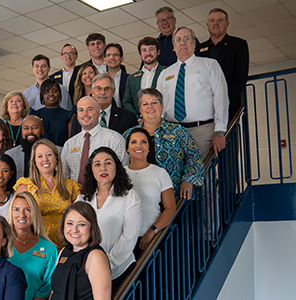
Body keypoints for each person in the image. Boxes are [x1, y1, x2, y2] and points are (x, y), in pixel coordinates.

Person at [156, 26, 229, 158]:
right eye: (178, 40)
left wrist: (219, 132)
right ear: (173, 46)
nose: (182, 42)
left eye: (186, 39)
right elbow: (159, 105)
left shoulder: (210, 65)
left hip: (202, 131)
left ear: (194, 44)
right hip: (174, 132)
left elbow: (221, 99)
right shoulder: (165, 73)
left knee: (202, 174)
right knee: (177, 175)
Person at [77, 147, 141, 295]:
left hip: (121, 270)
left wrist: (106, 264)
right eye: (97, 164)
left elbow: (129, 236)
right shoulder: (82, 199)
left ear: (117, 168)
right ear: (91, 170)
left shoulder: (129, 197)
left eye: (108, 163)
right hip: (87, 271)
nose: (103, 168)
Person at [122, 88, 204, 200]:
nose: (150, 106)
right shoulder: (129, 135)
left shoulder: (178, 131)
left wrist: (188, 180)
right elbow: (121, 163)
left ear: (162, 106)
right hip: (138, 197)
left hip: (174, 196)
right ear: (140, 110)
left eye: (154, 103)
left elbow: (194, 155)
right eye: (145, 104)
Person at [14, 139, 81, 249]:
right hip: (36, 246)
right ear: (34, 162)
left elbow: (78, 219)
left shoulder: (71, 187)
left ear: (57, 159)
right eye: (39, 156)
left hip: (67, 247)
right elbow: (17, 221)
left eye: (49, 155)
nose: (45, 159)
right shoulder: (25, 186)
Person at [124, 128, 176, 258]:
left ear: (149, 148)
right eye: (134, 142)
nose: (139, 145)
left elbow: (170, 209)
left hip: (154, 239)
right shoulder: (119, 174)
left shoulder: (160, 173)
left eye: (143, 142)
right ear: (127, 148)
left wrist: (151, 232)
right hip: (125, 240)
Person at [50, 201, 111, 300]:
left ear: (92, 229)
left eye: (81, 225)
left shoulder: (96, 256)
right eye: (70, 223)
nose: (74, 230)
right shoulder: (64, 251)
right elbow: (54, 291)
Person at [197, 7, 249, 121]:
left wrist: (223, 98)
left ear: (227, 23)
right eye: (212, 21)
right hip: (205, 106)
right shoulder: (199, 49)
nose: (215, 23)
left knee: (227, 137)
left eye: (220, 20)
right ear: (207, 24)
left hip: (229, 104)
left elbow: (241, 77)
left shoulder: (238, 44)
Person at [61, 96, 128, 185]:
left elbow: (121, 174)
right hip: (76, 197)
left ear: (99, 113)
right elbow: (65, 177)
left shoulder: (114, 139)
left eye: (90, 109)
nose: (85, 114)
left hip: (106, 196)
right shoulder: (69, 144)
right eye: (81, 110)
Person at [6, 192, 58, 300]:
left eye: (27, 209)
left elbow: (47, 287)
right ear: (10, 213)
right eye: (16, 209)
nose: (22, 215)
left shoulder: (49, 248)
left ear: (34, 213)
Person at [122, 37, 167, 118]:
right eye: (144, 50)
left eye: (151, 49)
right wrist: (138, 119)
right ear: (140, 54)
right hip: (140, 123)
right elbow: (127, 102)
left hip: (163, 120)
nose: (148, 53)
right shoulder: (132, 78)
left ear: (158, 52)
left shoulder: (167, 72)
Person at [30, 79, 75, 147]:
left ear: (60, 94)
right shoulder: (35, 116)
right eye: (47, 92)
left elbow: (70, 142)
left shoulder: (69, 116)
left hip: (62, 154)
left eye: (54, 91)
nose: (51, 94)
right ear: (42, 95)